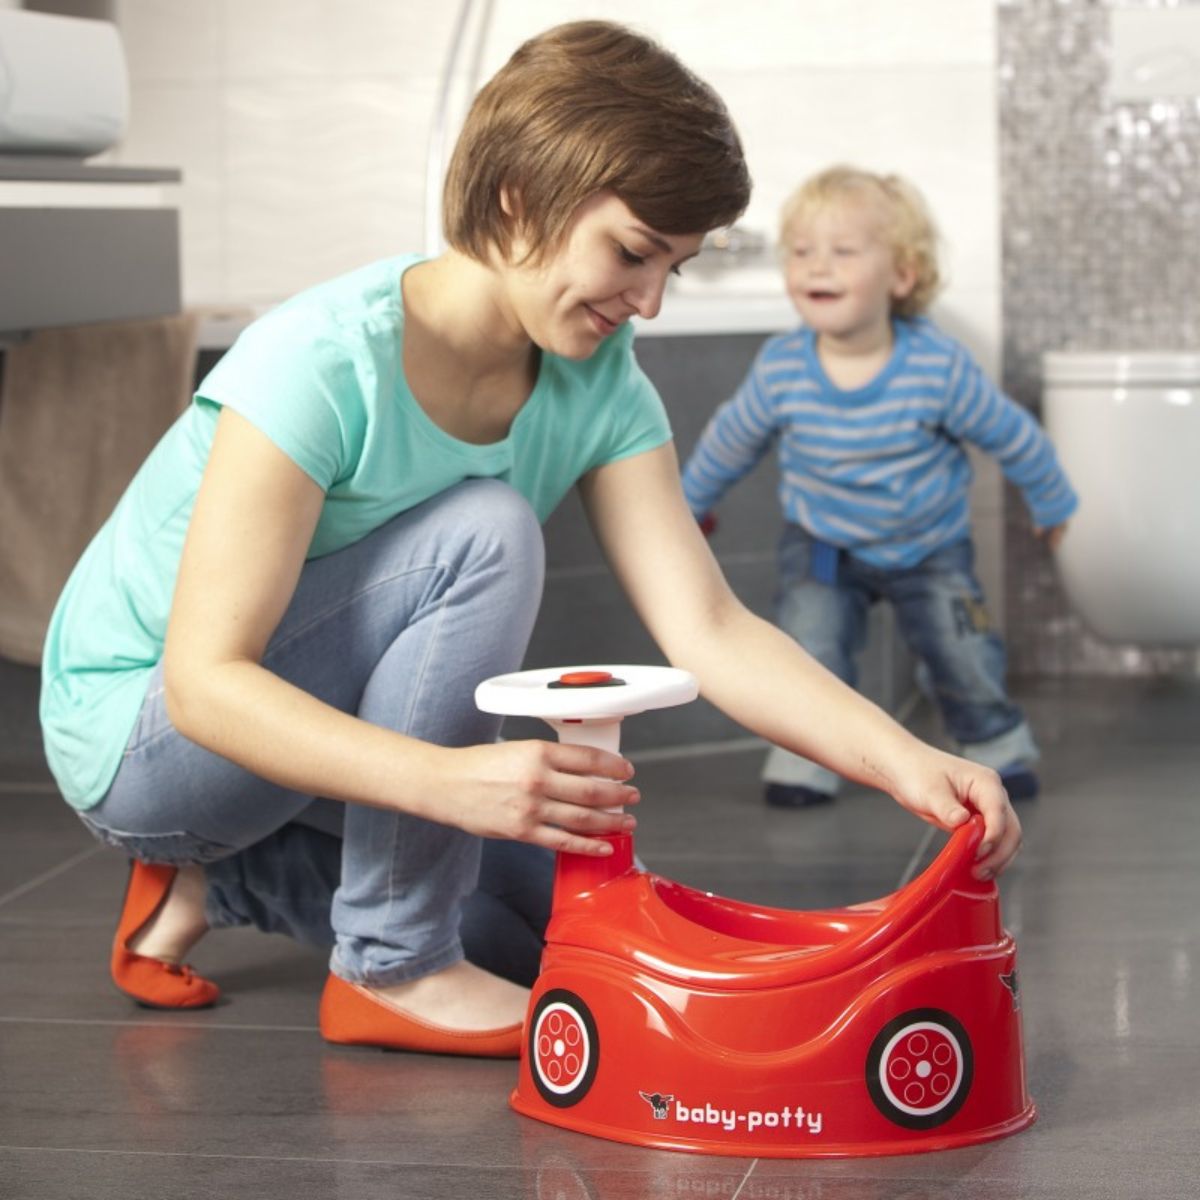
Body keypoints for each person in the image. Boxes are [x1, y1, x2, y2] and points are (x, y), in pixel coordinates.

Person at [41, 32, 1021, 1060]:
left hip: (287, 739)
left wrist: (909, 762)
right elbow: (204, 686)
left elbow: (711, 628)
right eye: (633, 252)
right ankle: (392, 964)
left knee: (549, 939)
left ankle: (225, 877)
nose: (648, 302)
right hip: (142, 740)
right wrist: (446, 784)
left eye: (673, 267)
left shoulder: (601, 383)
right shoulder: (319, 363)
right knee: (486, 529)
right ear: (518, 198)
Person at [682, 165, 1077, 811]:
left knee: (963, 651)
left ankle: (996, 744)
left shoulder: (936, 367)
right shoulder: (782, 367)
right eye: (802, 251)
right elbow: (730, 442)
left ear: (902, 275)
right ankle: (806, 757)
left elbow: (1012, 435)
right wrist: (688, 506)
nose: (818, 266)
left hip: (929, 544)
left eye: (843, 251)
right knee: (808, 650)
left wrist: (1051, 499)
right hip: (823, 544)